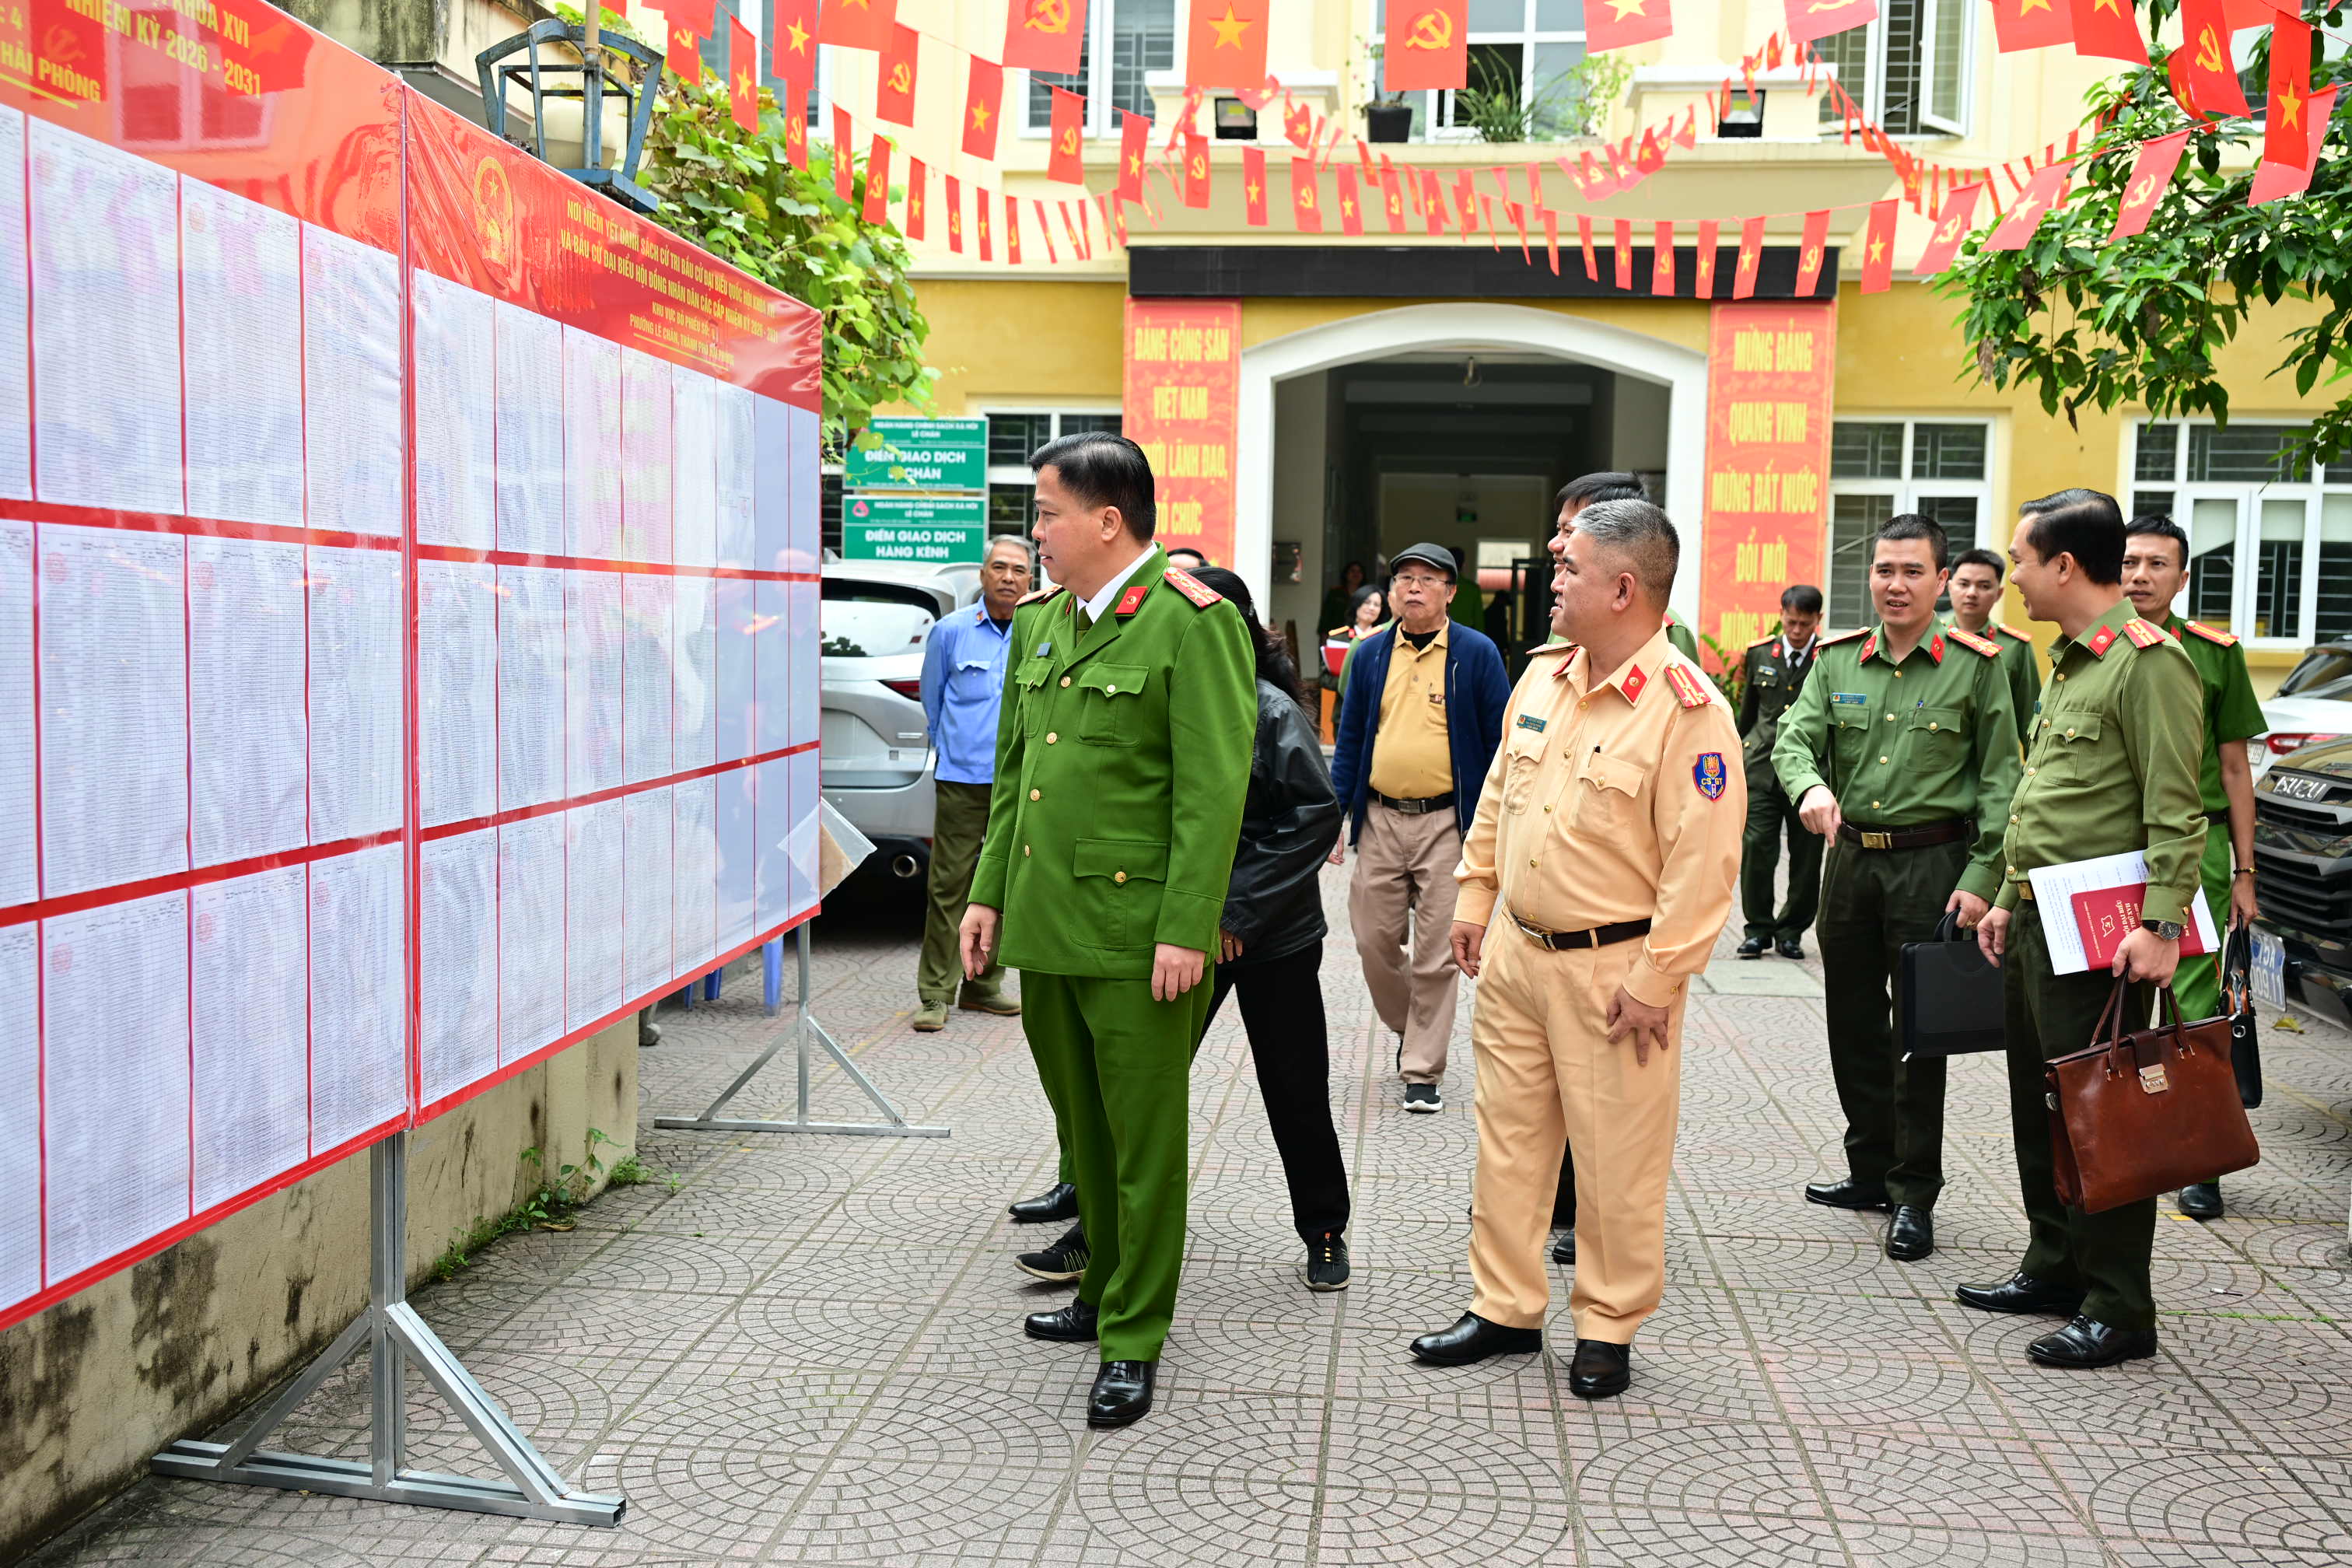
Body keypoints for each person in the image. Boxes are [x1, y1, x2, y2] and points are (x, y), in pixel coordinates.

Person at [1410, 498, 1741, 1400]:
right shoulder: (1545, 677)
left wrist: (1656, 981)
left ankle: (1607, 1325)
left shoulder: (1688, 710)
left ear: (1624, 588)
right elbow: (1495, 804)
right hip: (1518, 954)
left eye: (1570, 569)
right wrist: (1475, 898)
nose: (1553, 578)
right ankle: (1506, 1309)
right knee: (1509, 1145)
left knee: (1615, 1162)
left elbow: (1703, 869)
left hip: (1615, 974)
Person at [958, 431, 1256, 1427]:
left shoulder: (1189, 623)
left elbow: (1212, 794)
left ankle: (1134, 1336)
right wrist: (989, 896)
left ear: (1107, 520)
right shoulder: (1041, 624)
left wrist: (1187, 927)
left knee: (1142, 1144)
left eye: (1047, 513)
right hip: (1048, 926)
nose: (1034, 534)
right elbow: (1015, 780)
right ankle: (1097, 1293)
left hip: (1138, 938)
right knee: (1084, 1135)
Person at [1964, 488, 2204, 1370]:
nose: (2011, 578)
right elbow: (2047, 799)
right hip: (2039, 919)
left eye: (2022, 562)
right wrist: (2001, 892)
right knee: (2043, 1103)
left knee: (2098, 1116)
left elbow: (2178, 809)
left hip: (2106, 932)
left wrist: (2162, 925)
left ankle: (2120, 1306)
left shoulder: (2150, 664)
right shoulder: (2071, 662)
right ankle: (2055, 1264)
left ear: (2064, 565)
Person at [1773, 516, 2021, 1263]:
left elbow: (2003, 782)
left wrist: (1983, 880)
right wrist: (1810, 787)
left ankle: (1915, 1193)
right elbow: (1793, 738)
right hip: (1849, 863)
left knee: (1919, 1034)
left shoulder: (1979, 666)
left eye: (1913, 572)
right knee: (1851, 1022)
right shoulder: (1838, 660)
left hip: (1932, 868)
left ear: (1942, 582)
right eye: (1884, 570)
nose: (1895, 585)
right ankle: (1868, 1169)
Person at [1327, 544, 1512, 1111]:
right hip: (1380, 817)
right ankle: (1415, 1025)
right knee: (1373, 940)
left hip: (1447, 824)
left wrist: (1491, 824)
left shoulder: (1476, 654)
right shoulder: (1372, 652)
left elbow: (1502, 744)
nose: (1413, 588)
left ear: (1450, 591)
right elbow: (1350, 736)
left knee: (1436, 951)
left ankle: (1422, 1070)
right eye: (1404, 578)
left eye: (1427, 579)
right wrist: (1335, 814)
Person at [2121, 514, 2263, 1222]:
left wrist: (2244, 870)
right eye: (2129, 561)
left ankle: (2201, 1157)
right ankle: (2121, 1140)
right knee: (2113, 1000)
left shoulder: (2212, 654)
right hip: (2113, 850)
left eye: (2156, 564)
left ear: (2182, 577)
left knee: (2198, 1002)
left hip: (2196, 847)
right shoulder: (2095, 648)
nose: (2140, 575)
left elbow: (2236, 768)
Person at [913, 538, 1033, 1033]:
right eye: (999, 567)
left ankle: (984, 987)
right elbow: (933, 701)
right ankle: (936, 993)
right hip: (962, 779)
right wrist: (957, 750)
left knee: (1005, 883)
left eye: (1019, 570)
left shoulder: (1042, 629)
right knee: (950, 887)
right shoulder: (950, 631)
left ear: (1032, 579)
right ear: (982, 575)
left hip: (1023, 782)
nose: (1009, 577)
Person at [1734, 585, 1826, 961]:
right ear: (1782, 615)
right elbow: (1748, 715)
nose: (1797, 631)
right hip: (1761, 770)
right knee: (1757, 849)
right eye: (1791, 622)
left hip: (1809, 773)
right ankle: (1757, 930)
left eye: (1805, 624)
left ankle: (1791, 932)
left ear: (1818, 620)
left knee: (1807, 855)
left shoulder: (1829, 657)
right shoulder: (1759, 654)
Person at [1948, 547, 2040, 745]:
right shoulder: (1930, 639)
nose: (1972, 593)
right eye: (1964, 584)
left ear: (1998, 593)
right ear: (1949, 587)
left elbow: (2029, 720)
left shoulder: (2015, 646)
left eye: (1983, 586)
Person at [1320, 559, 1368, 639]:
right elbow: (1326, 619)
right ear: (1346, 574)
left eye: (1359, 571)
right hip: (1336, 636)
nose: (1356, 574)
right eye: (1352, 571)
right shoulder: (1335, 593)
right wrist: (1324, 638)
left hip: (1360, 637)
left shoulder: (1367, 595)